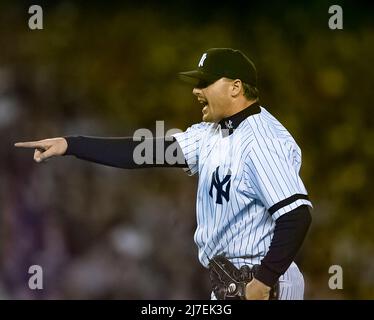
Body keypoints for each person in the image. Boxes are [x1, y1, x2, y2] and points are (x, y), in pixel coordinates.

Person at [15, 48, 312, 300]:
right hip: (231, 282)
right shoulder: (212, 134)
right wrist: (71, 145)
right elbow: (140, 154)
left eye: (205, 82)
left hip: (261, 284)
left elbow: (296, 215)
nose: (196, 90)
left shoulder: (263, 140)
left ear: (235, 87)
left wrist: (263, 281)